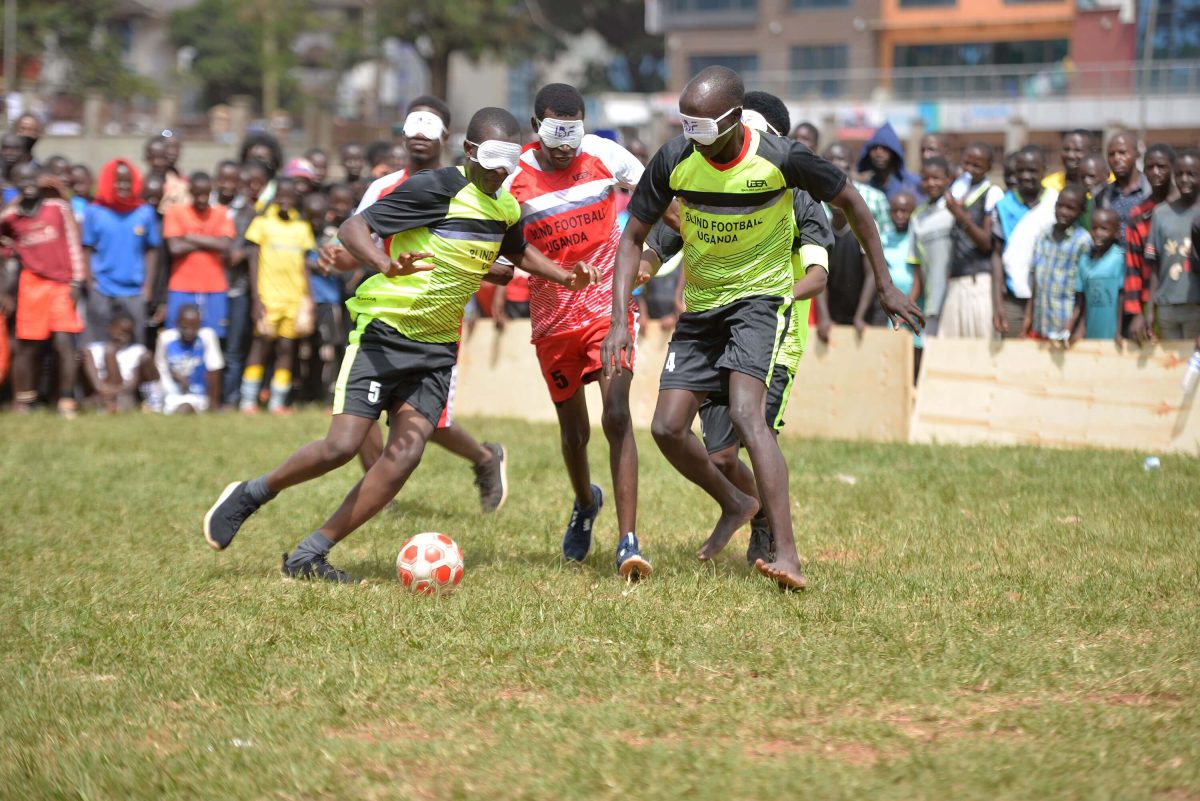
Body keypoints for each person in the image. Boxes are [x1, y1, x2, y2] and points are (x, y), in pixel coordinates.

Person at [202, 107, 600, 583]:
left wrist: (563, 275)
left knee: (407, 453)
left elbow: (514, 251)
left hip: (435, 349)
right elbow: (354, 228)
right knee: (341, 447)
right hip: (385, 333)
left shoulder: (505, 206)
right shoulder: (436, 188)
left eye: (510, 157)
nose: (500, 166)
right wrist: (383, 263)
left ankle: (310, 554)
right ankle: (252, 494)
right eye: (492, 155)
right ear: (469, 151)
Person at [602, 67, 923, 591]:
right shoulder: (675, 159)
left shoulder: (782, 159)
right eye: (687, 126)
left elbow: (853, 205)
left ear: (734, 120)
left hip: (759, 303)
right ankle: (737, 503)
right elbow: (636, 234)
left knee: (749, 417)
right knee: (666, 428)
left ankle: (787, 553)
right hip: (702, 308)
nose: (694, 138)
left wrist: (885, 284)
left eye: (703, 128)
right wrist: (620, 318)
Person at [645, 91, 832, 567]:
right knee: (722, 457)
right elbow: (663, 240)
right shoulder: (706, 179)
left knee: (753, 431)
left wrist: (786, 294)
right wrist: (638, 268)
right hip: (712, 326)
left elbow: (818, 269)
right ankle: (748, 509)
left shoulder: (796, 191)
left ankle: (770, 537)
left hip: (774, 331)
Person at [504, 82, 651, 577]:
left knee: (616, 414)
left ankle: (628, 542)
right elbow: (510, 248)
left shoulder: (606, 155)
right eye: (555, 132)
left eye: (574, 131)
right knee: (575, 434)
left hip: (609, 307)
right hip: (552, 317)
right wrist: (560, 275)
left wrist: (658, 253)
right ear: (534, 128)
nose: (566, 144)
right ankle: (586, 501)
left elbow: (658, 199)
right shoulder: (513, 177)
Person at [349, 95, 509, 514]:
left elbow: (495, 260)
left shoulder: (470, 189)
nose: (420, 137)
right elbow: (357, 235)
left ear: (448, 138)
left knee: (428, 421)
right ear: (402, 133)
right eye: (413, 127)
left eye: (430, 128)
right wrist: (347, 258)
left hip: (438, 316)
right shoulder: (382, 187)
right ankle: (378, 495)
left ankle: (485, 459)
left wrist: (456, 260)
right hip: (383, 311)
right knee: (360, 408)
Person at [0, 163, 87, 415]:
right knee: (28, 345)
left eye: (32, 178)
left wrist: (76, 281)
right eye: (21, 179)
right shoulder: (12, 216)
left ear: (40, 181)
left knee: (64, 341)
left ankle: (66, 400)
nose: (27, 183)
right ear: (15, 182)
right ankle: (25, 400)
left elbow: (73, 244)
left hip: (61, 284)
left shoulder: (57, 208)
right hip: (32, 284)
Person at [239, 177, 314, 414]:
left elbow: (304, 265)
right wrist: (255, 299)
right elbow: (252, 261)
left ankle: (277, 402)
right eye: (281, 194)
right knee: (260, 346)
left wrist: (308, 299)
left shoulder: (301, 227)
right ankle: (248, 401)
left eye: (290, 195)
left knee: (286, 348)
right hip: (268, 297)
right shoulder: (261, 223)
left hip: (293, 298)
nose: (285, 199)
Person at [83, 158, 160, 345]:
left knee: (135, 346)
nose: (123, 186)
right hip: (102, 289)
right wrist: (90, 282)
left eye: (128, 181)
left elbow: (152, 251)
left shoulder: (144, 212)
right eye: (118, 181)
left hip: (134, 291)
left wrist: (148, 288)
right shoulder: (94, 211)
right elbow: (86, 248)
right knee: (98, 345)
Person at [991, 146, 1057, 337]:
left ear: (1044, 169)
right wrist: (998, 303)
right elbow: (996, 255)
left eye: (1032, 171)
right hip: (1013, 298)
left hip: (1049, 299)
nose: (1026, 176)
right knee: (1012, 357)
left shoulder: (1056, 202)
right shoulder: (1003, 206)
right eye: (1021, 171)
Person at [939, 142, 1002, 337]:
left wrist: (960, 215)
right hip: (956, 280)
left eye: (977, 166)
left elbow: (986, 243)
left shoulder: (992, 193)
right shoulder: (959, 187)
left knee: (980, 345)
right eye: (966, 163)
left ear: (989, 167)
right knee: (948, 347)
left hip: (978, 282)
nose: (969, 170)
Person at [222, 160, 270, 408]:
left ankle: (230, 398)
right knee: (215, 342)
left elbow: (250, 252)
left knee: (234, 347)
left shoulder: (251, 213)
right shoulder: (212, 207)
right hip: (213, 286)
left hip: (239, 287)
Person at [163, 172, 236, 335]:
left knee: (211, 337)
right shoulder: (175, 212)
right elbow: (175, 248)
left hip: (214, 286)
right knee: (176, 334)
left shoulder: (222, 212)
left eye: (206, 194)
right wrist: (210, 242)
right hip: (182, 286)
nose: (202, 199)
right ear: (190, 192)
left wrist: (189, 237)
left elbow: (224, 244)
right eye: (198, 194)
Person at [1124, 144, 1177, 346]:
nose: (1155, 172)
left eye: (1162, 166)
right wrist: (1137, 312)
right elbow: (1133, 267)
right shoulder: (1139, 214)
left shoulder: (1190, 209)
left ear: (1173, 168)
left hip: (1185, 301)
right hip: (1150, 305)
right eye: (1150, 167)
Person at [1023, 184, 1090, 340]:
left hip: (1065, 327)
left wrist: (1075, 324)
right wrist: (1028, 317)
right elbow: (1036, 282)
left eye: (1071, 208)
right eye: (1060, 206)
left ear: (1082, 212)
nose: (1063, 212)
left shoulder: (1082, 242)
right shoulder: (1043, 235)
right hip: (1040, 324)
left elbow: (1084, 290)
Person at [1146, 150, 1200, 340]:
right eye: (1179, 174)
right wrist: (1151, 309)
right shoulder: (1161, 213)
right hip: (1167, 306)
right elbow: (1154, 264)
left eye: (1191, 174)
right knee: (1171, 365)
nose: (1184, 179)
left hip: (1196, 305)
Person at [905, 157, 955, 337]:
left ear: (948, 179)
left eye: (936, 178)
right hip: (932, 303)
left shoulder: (956, 209)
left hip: (956, 300)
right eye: (926, 179)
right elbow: (918, 266)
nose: (931, 183)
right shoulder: (918, 217)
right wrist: (910, 302)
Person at [80, 311, 158, 412]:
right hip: (100, 388)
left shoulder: (137, 351)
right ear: (109, 328)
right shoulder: (95, 349)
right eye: (119, 331)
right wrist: (101, 389)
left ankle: (111, 406)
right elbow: (82, 358)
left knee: (110, 352)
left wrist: (115, 390)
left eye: (127, 333)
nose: (122, 336)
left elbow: (132, 383)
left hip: (123, 391)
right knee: (108, 351)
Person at [1068, 208, 1124, 343]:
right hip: (1091, 335)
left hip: (1114, 336)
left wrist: (1118, 331)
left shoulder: (1119, 258)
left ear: (1116, 233)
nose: (1098, 233)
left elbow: (1122, 297)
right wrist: (1078, 329)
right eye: (1094, 228)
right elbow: (1082, 303)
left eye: (1104, 229)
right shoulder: (1084, 261)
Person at [155, 303, 224, 414]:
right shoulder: (166, 338)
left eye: (194, 328)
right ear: (177, 323)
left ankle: (213, 406)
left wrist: (213, 400)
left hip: (199, 391)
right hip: (172, 391)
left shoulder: (207, 336)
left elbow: (215, 366)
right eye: (185, 327)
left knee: (187, 408)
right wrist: (173, 377)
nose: (189, 332)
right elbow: (160, 368)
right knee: (183, 408)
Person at [1093, 131, 1150, 246]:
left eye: (1122, 153)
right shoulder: (1100, 195)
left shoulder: (1151, 191)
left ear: (1137, 154)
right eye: (1111, 154)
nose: (1117, 159)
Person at [856, 121, 923, 201]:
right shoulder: (866, 188)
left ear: (894, 152)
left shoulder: (912, 185)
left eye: (884, 148)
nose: (879, 153)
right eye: (874, 148)